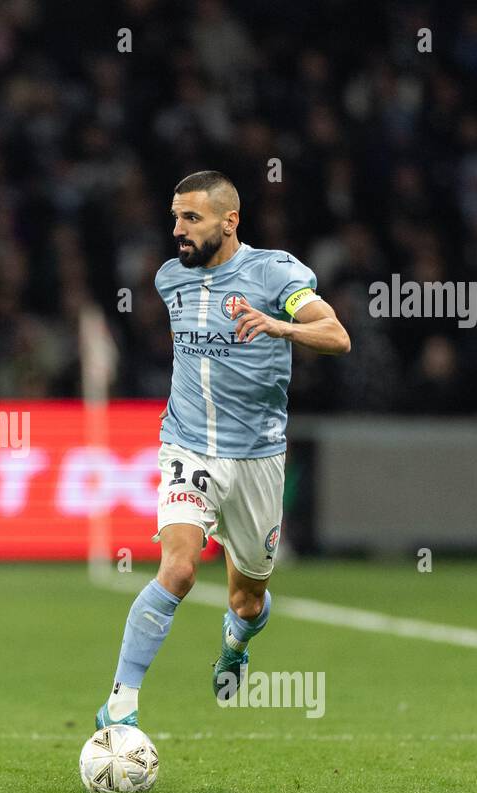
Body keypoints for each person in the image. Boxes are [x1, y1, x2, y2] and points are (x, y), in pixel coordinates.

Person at [97, 171, 351, 728]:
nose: (178, 230)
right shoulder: (170, 279)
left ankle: (235, 645)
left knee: (248, 601)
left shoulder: (276, 273)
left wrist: (280, 326)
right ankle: (121, 704)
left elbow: (336, 335)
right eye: (175, 217)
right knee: (180, 569)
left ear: (229, 221)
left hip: (259, 459)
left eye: (192, 218)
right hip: (188, 448)